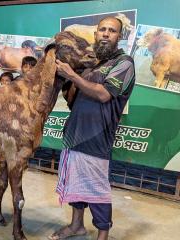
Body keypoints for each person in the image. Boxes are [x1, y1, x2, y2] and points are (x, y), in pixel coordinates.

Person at [49, 17, 135, 240]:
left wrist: (72, 75)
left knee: (97, 189)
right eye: (102, 30)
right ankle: (77, 225)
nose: (106, 34)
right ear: (96, 34)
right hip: (76, 132)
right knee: (76, 183)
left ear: (119, 36)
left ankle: (102, 235)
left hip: (97, 136)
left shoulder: (124, 63)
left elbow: (104, 94)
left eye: (112, 31)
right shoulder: (92, 62)